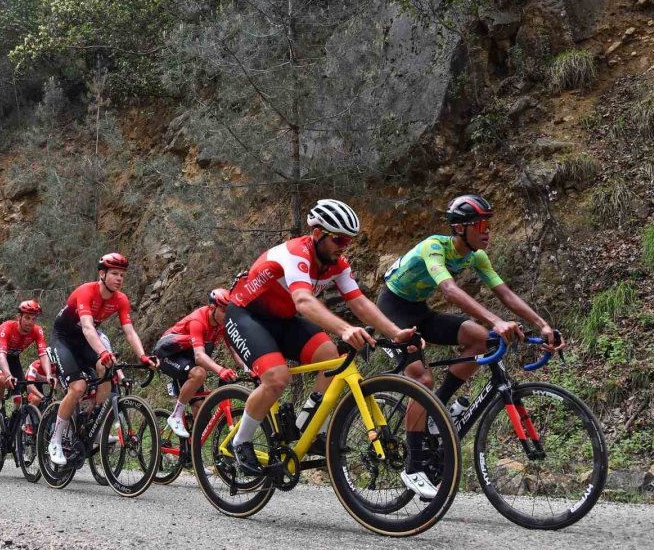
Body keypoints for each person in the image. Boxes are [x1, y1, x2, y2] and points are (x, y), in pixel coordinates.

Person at [378, 194, 566, 498]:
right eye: (481, 224)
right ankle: (413, 466)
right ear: (461, 228)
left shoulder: (476, 256)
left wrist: (543, 325)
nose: (488, 230)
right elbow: (449, 289)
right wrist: (496, 321)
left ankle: (437, 411)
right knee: (421, 379)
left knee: (479, 338)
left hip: (420, 311)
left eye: (488, 224)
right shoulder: (434, 246)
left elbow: (505, 293)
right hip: (392, 311)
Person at [224, 199, 418, 476]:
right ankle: (240, 443)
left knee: (331, 358)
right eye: (338, 239)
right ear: (317, 234)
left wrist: (396, 333)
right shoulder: (295, 254)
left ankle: (311, 427)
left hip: (283, 319)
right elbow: (303, 301)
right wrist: (344, 329)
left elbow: (359, 302)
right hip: (245, 316)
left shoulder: (336, 263)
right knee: (277, 378)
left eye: (348, 241)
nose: (343, 247)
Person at [46, 253, 158, 465]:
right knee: (78, 388)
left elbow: (130, 331)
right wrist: (103, 352)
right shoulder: (86, 291)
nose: (119, 278)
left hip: (85, 341)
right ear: (102, 274)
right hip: (63, 340)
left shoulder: (120, 300)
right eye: (115, 273)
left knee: (107, 372)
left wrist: (143, 356)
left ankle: (92, 421)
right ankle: (55, 439)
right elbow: (88, 328)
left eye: (122, 275)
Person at [154, 288, 242, 438]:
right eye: (225, 311)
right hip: (169, 354)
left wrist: (250, 368)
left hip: (189, 360)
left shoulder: (222, 324)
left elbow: (235, 351)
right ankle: (176, 415)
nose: (228, 316)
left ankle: (191, 453)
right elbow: (200, 356)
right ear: (212, 308)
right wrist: (220, 370)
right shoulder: (198, 321)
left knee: (201, 410)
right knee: (199, 373)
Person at [0, 301, 53, 435]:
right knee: (2, 379)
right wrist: (8, 375)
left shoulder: (37, 331)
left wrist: (49, 374)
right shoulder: (6, 328)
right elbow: (1, 356)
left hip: (13, 358)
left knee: (20, 396)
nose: (30, 322)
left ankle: (13, 426)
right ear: (18, 317)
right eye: (27, 318)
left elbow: (43, 354)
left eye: (33, 319)